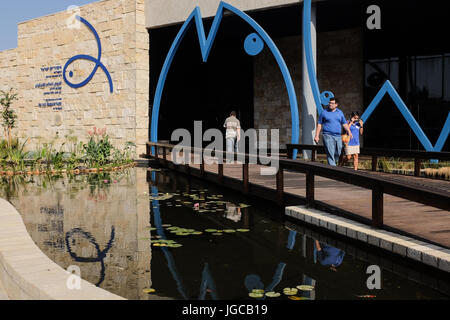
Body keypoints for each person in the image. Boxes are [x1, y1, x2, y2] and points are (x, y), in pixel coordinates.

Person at [314, 98, 352, 166]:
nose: (330, 104)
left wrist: (349, 131)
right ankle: (333, 168)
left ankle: (332, 164)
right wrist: (317, 136)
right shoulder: (324, 112)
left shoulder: (340, 112)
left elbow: (344, 123)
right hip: (327, 135)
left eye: (332, 103)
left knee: (338, 151)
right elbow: (319, 124)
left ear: (336, 105)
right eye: (329, 103)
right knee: (330, 152)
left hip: (338, 136)